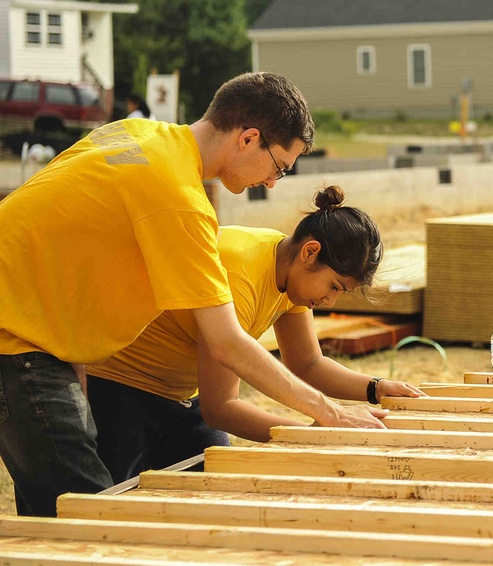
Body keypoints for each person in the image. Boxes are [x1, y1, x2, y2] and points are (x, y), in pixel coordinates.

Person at [0, 71, 384, 518]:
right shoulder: (178, 198)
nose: (274, 182)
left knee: (47, 529)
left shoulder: (136, 134)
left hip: (34, 333)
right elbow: (226, 342)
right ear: (249, 138)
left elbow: (63, 249)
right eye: (278, 166)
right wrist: (329, 415)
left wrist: (76, 364)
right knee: (89, 523)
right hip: (18, 340)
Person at [87, 186, 425, 483]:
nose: (329, 301)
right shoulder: (240, 271)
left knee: (216, 491)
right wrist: (311, 433)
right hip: (119, 388)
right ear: (310, 252)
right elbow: (222, 408)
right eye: (333, 286)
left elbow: (307, 363)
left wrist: (374, 388)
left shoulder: (289, 273)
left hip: (181, 396)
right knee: (107, 504)